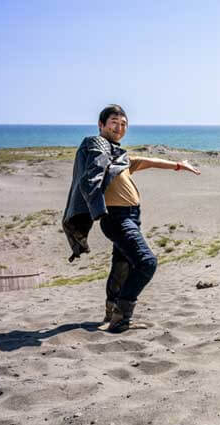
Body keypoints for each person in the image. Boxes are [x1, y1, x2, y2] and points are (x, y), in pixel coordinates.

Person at [62, 104, 201, 333]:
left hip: (131, 217)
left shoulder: (118, 158)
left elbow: (147, 161)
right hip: (116, 217)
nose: (119, 127)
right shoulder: (97, 146)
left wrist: (178, 165)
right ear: (101, 125)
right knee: (147, 262)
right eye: (114, 122)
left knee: (121, 266)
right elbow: (91, 177)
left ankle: (110, 314)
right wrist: (97, 208)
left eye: (123, 124)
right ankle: (121, 317)